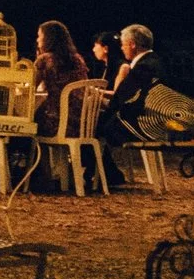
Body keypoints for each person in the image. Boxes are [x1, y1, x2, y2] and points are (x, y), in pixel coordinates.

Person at [97, 23, 163, 188]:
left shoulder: (144, 67)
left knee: (87, 129)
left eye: (124, 44)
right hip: (151, 117)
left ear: (132, 44)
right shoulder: (154, 61)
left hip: (141, 122)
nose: (122, 48)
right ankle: (107, 173)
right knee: (95, 125)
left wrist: (101, 102)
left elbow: (124, 100)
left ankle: (105, 175)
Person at [32, 20, 91, 127]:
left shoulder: (44, 59)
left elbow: (31, 86)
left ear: (48, 38)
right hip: (80, 123)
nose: (37, 40)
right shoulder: (78, 59)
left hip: (56, 122)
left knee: (27, 120)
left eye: (39, 36)